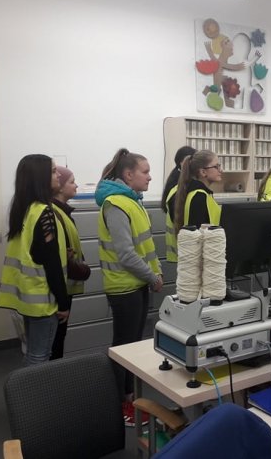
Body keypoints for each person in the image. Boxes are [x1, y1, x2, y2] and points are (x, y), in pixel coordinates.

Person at [95, 148, 162, 427]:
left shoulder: (132, 201)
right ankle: (119, 404)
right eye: (145, 172)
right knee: (123, 347)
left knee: (132, 345)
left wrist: (151, 276)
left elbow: (142, 247)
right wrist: (152, 277)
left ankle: (130, 397)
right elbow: (126, 254)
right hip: (125, 287)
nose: (149, 177)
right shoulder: (116, 204)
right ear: (128, 174)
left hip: (137, 284)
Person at [0, 155, 69, 367]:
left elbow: (35, 251)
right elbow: (51, 263)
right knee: (39, 356)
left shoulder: (25, 208)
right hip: (42, 299)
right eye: (53, 171)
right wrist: (63, 302)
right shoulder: (44, 212)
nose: (58, 175)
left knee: (32, 353)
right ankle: (33, 390)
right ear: (40, 178)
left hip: (27, 297)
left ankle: (28, 387)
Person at [50, 165, 91, 360]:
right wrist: (83, 270)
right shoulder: (55, 214)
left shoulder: (63, 212)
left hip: (65, 288)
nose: (76, 186)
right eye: (72, 182)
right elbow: (61, 259)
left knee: (57, 340)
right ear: (59, 186)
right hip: (60, 290)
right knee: (54, 343)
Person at [172, 149, 222, 231]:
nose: (220, 170)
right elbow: (198, 232)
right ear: (203, 172)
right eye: (216, 167)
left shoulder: (200, 193)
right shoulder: (199, 196)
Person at [161, 146, 197, 263]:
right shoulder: (177, 183)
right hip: (182, 247)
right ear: (183, 162)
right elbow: (178, 215)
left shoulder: (179, 177)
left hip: (182, 247)